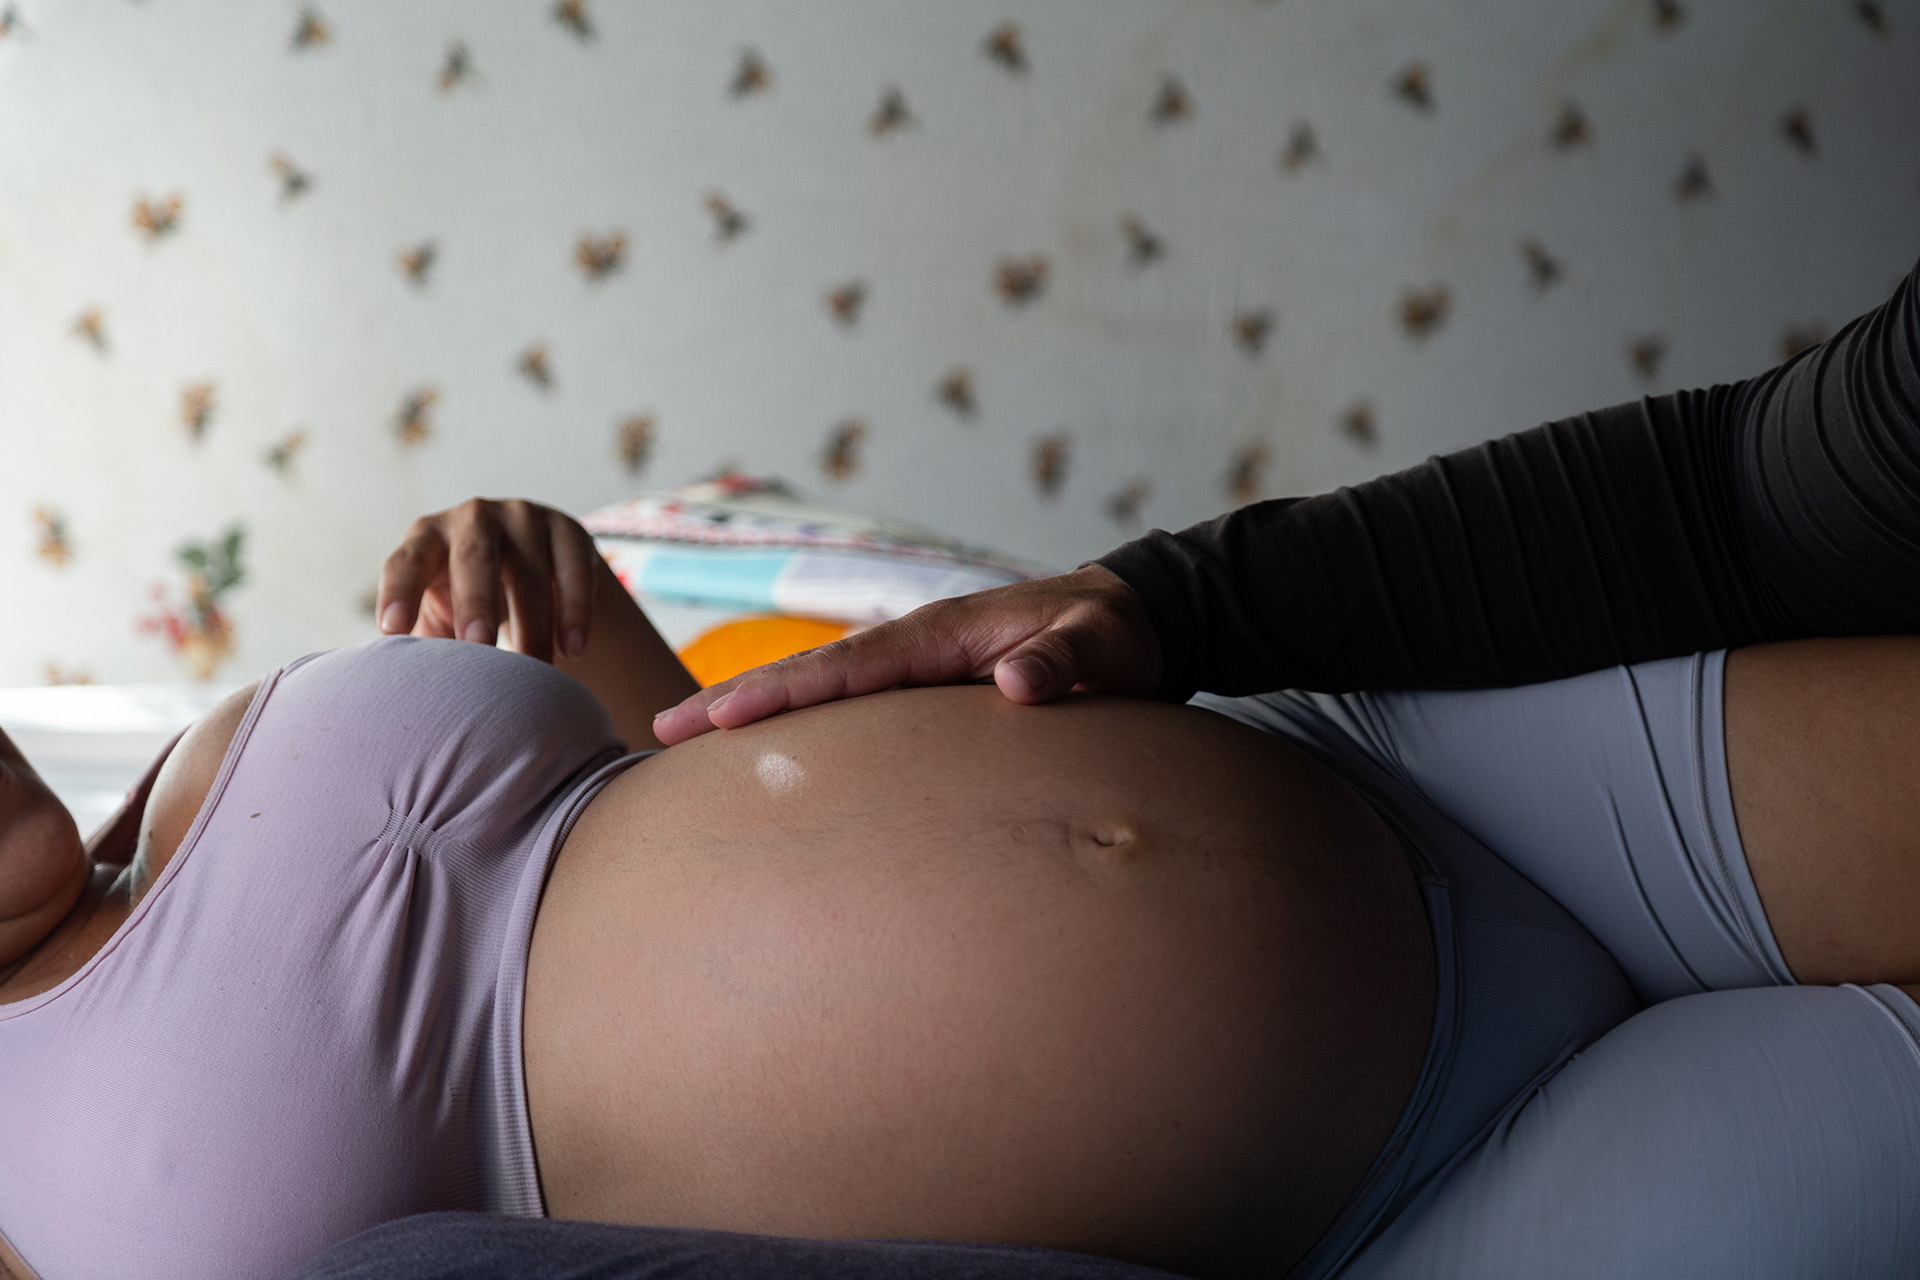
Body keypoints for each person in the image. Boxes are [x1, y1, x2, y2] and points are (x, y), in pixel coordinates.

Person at [296, 255, 1920, 1279]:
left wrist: (555, 581)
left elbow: (664, 777)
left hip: (1430, 787)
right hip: (1405, 1221)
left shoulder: (206, 775)